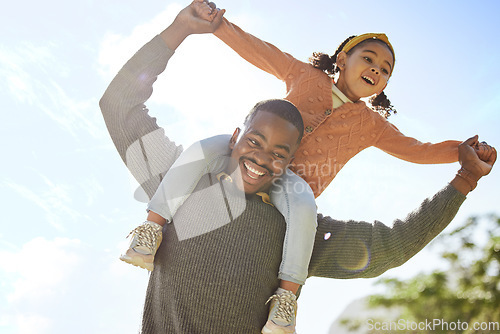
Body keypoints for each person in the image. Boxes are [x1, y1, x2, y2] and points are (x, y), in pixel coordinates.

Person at [99, 2, 496, 333]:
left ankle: (287, 299)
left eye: (385, 68)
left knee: (300, 204)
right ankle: (148, 230)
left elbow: (395, 236)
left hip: (295, 203)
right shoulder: (182, 181)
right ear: (237, 135)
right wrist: (185, 27)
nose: (265, 158)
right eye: (255, 141)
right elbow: (120, 104)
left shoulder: (299, 232)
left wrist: (463, 169)